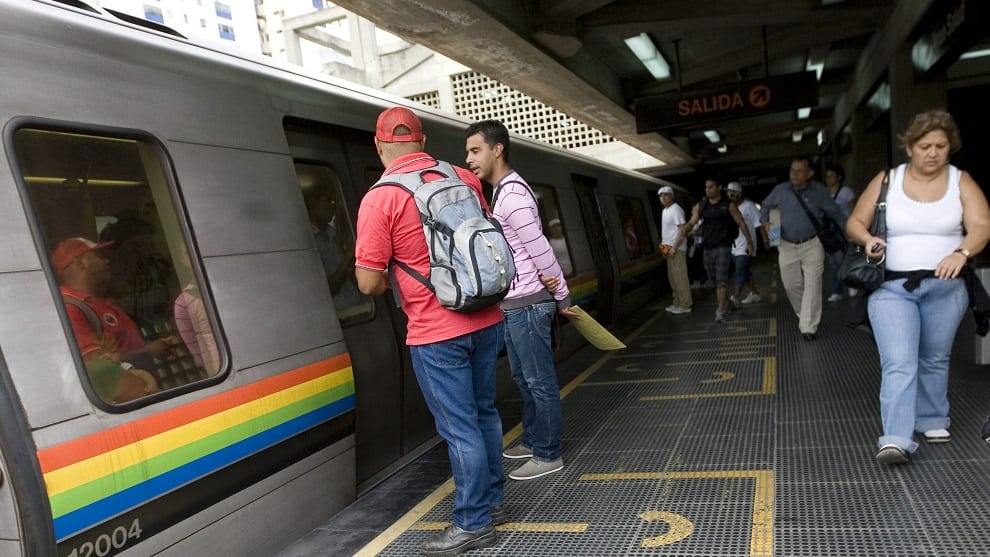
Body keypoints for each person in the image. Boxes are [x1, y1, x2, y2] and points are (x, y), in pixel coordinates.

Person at [354, 107, 505, 556]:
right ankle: (492, 502)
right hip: (487, 317)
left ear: (379, 146)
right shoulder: (464, 177)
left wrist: (397, 276)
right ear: (422, 142)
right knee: (485, 413)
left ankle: (473, 523)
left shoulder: (380, 198)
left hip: (436, 332)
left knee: (459, 429)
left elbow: (368, 283)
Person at [846, 110, 990, 465]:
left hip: (946, 287)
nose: (933, 153)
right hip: (892, 288)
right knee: (899, 361)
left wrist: (962, 253)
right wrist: (867, 239)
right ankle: (896, 438)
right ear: (910, 147)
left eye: (941, 146)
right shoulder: (887, 180)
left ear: (949, 147)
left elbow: (981, 225)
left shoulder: (960, 181)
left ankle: (932, 417)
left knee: (935, 356)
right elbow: (855, 222)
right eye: (925, 146)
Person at [465, 119, 579, 481]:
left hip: (529, 303)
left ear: (497, 149)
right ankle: (532, 439)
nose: (469, 159)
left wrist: (562, 297)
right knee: (524, 378)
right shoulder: (503, 192)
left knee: (539, 381)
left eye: (475, 150)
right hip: (517, 304)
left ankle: (548, 454)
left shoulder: (512, 197)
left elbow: (540, 249)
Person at [52, 237, 168, 403]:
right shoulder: (70, 309)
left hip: (145, 394)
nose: (106, 261)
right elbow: (100, 368)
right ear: (81, 263)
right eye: (98, 256)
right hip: (134, 400)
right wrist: (148, 350)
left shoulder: (100, 302)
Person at [760, 157, 847, 340]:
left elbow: (836, 214)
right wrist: (766, 223)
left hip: (812, 244)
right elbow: (765, 207)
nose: (795, 174)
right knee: (791, 285)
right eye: (793, 170)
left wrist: (851, 232)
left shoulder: (819, 192)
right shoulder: (780, 190)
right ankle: (805, 315)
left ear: (810, 173)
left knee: (813, 284)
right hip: (786, 245)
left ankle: (808, 326)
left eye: (800, 171)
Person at [680, 178, 753, 322]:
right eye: (706, 187)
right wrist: (685, 229)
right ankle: (727, 303)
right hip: (708, 247)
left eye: (711, 187)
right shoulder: (702, 206)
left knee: (721, 280)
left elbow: (741, 222)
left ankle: (720, 311)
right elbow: (692, 221)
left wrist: (749, 242)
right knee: (713, 280)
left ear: (719, 188)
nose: (708, 190)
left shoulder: (728, 205)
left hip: (724, 246)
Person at [726, 182, 763, 305]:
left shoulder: (749, 205)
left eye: (733, 193)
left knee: (740, 270)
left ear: (739, 194)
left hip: (747, 244)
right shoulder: (728, 207)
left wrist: (766, 240)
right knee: (745, 271)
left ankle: (735, 297)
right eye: (728, 193)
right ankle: (755, 294)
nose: (730, 196)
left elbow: (759, 224)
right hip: (734, 245)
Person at [657, 186, 692, 313]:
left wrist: (674, 248)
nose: (663, 198)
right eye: (661, 196)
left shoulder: (676, 209)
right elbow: (667, 232)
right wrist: (664, 249)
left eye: (666, 195)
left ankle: (685, 304)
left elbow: (682, 230)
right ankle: (677, 302)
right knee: (673, 277)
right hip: (667, 247)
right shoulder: (665, 211)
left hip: (677, 248)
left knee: (680, 277)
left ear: (672, 196)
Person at [825, 164, 856, 302]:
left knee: (843, 258)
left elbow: (852, 210)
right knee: (833, 262)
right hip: (830, 231)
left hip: (844, 229)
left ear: (839, 177)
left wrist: (852, 228)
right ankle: (837, 290)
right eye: (827, 176)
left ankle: (851, 283)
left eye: (831, 176)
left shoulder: (846, 192)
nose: (828, 179)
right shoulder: (825, 193)